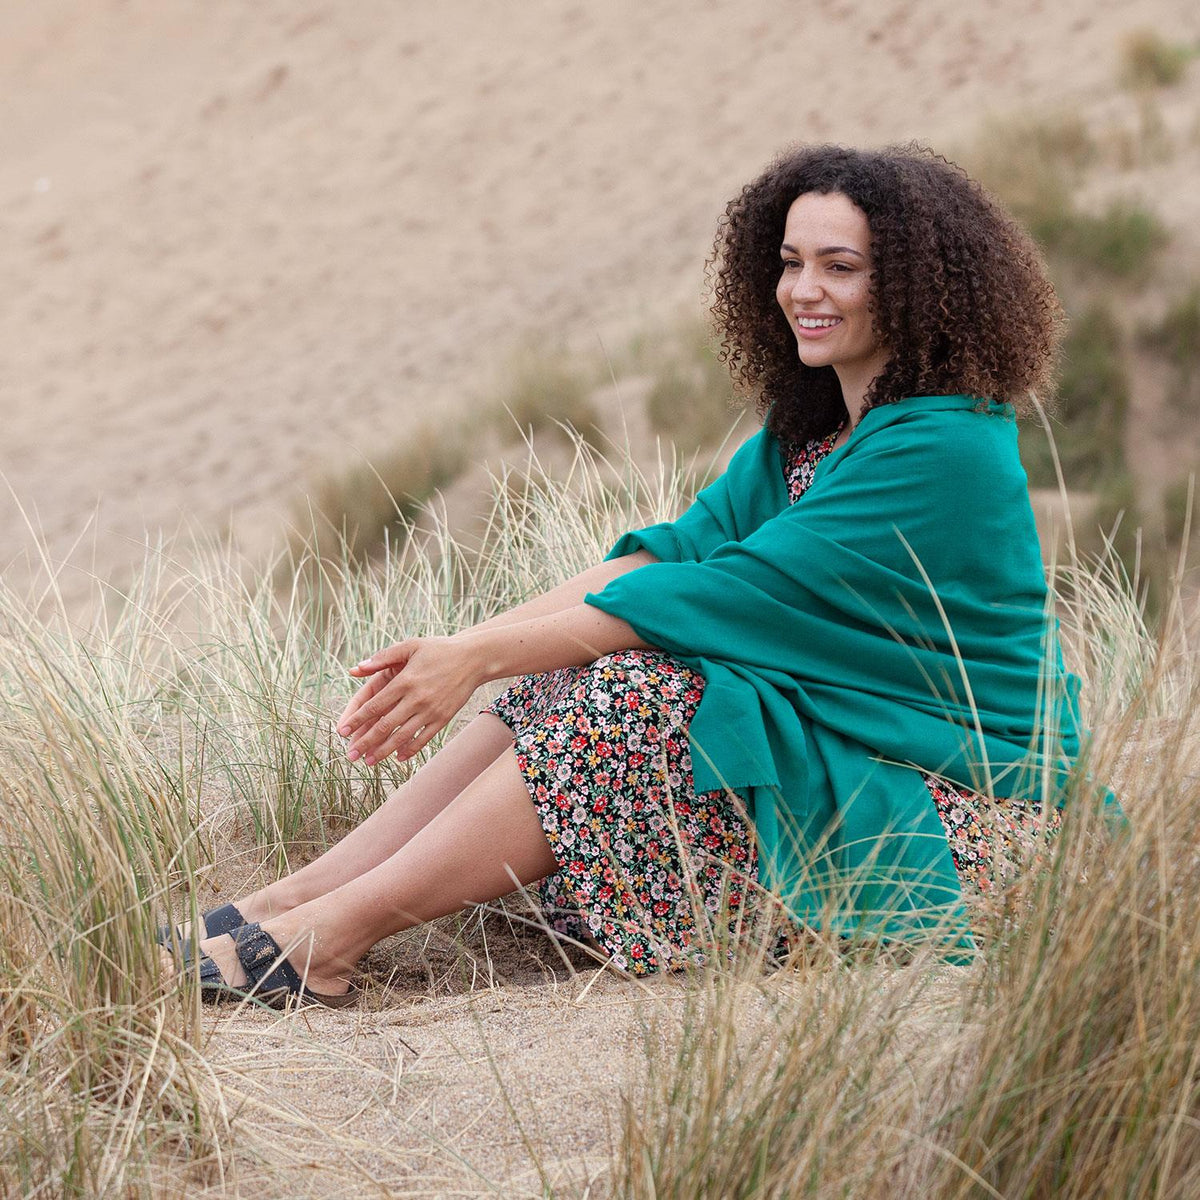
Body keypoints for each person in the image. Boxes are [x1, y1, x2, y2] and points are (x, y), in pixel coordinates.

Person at [165, 143, 1084, 1006]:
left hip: (966, 813)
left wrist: (479, 660)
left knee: (642, 689)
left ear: (916, 287)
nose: (804, 290)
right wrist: (472, 650)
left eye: (840, 267)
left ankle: (327, 941)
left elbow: (712, 598)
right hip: (854, 756)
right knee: (566, 667)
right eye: (791, 261)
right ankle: (294, 899)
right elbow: (662, 559)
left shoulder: (945, 446)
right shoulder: (809, 437)